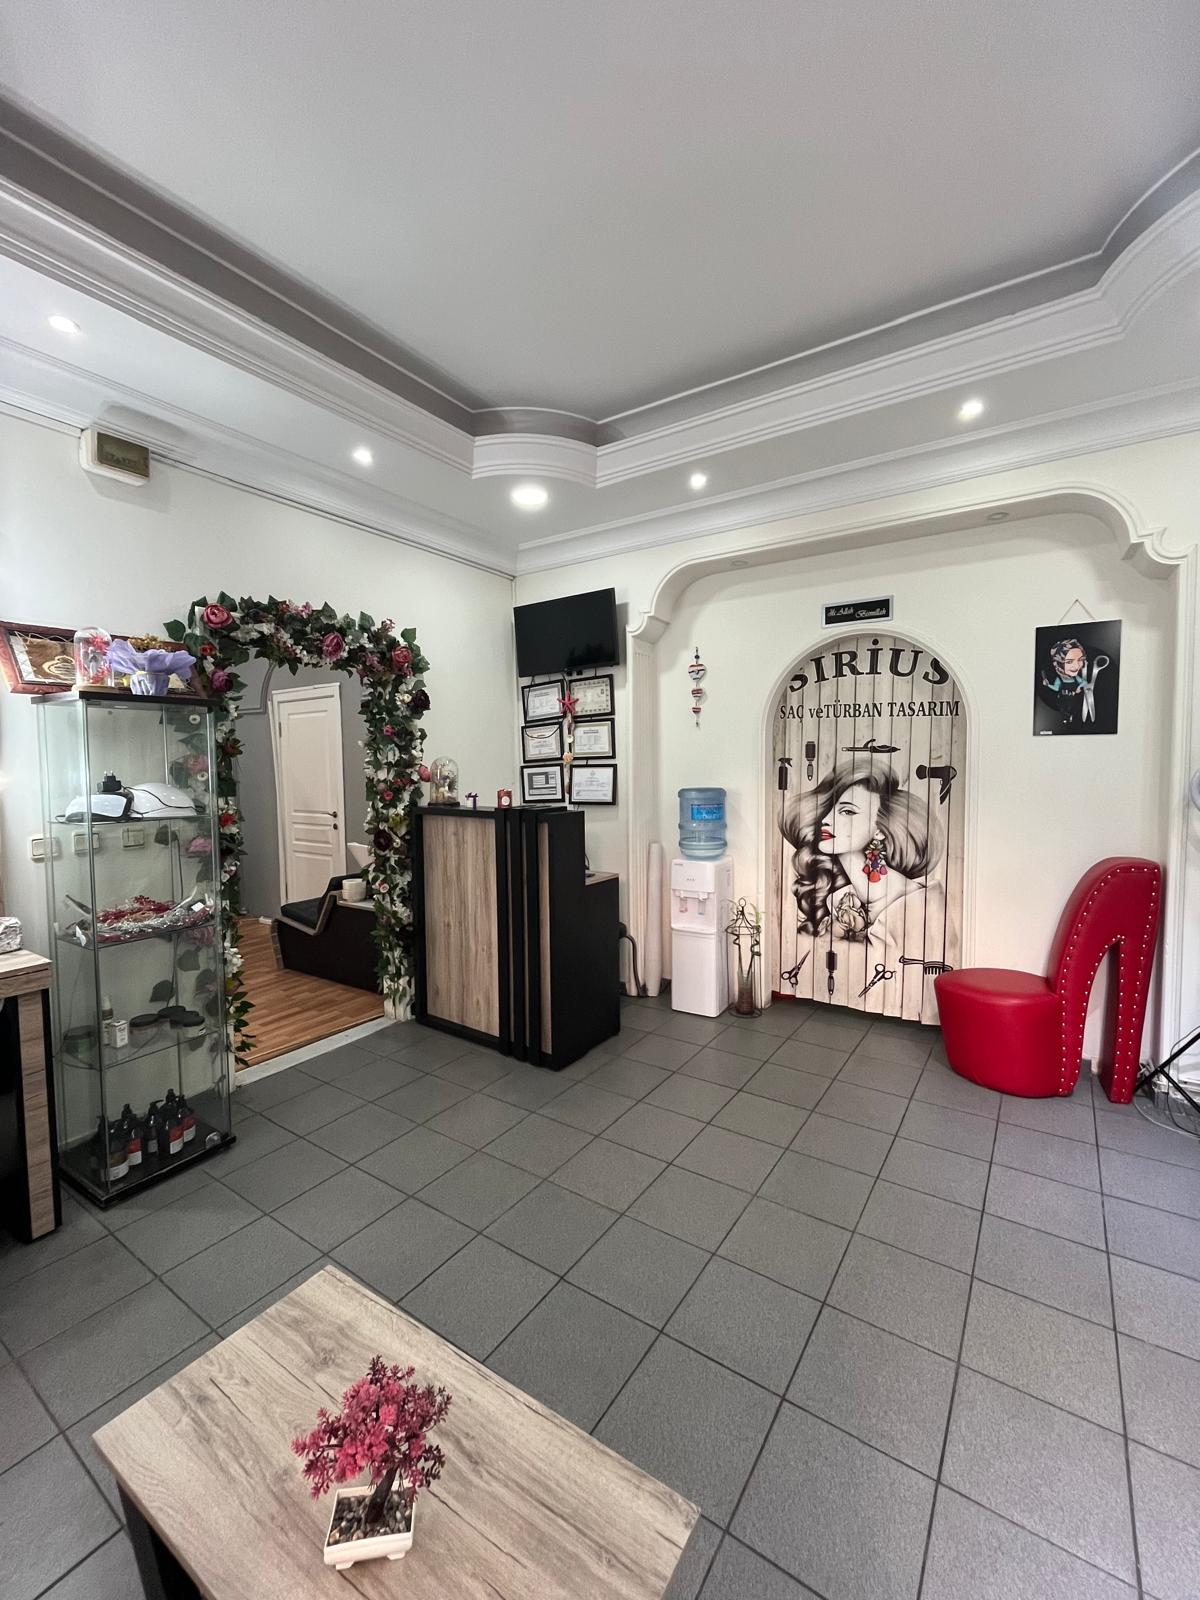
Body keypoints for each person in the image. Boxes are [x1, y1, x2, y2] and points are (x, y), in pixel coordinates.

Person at [781, 759, 943, 964]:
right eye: (829, 808)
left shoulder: (914, 905)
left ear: (880, 830)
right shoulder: (838, 898)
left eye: (847, 811)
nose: (826, 819)